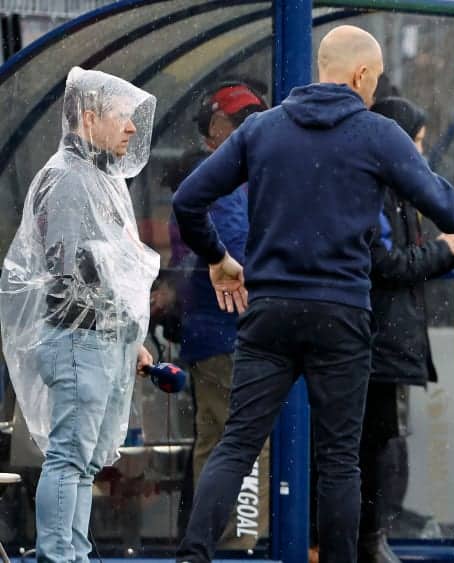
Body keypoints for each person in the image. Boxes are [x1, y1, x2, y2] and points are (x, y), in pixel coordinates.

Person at [171, 25, 454, 563]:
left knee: (237, 444)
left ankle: (192, 557)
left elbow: (188, 200)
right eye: (377, 77)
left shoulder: (261, 130)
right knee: (340, 460)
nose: (374, 87)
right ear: (361, 74)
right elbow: (446, 206)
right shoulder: (377, 134)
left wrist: (219, 259)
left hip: (268, 313)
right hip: (340, 315)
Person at [0, 67, 159, 562]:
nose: (131, 128)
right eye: (122, 117)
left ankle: (74, 553)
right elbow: (71, 269)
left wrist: (129, 335)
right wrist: (115, 321)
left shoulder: (96, 177)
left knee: (85, 461)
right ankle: (58, 555)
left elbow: (103, 268)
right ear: (90, 118)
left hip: (96, 339)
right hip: (78, 339)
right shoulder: (70, 178)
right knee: (70, 457)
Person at [357, 96, 454, 563]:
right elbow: (386, 264)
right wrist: (444, 249)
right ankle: (365, 539)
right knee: (370, 446)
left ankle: (371, 536)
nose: (420, 152)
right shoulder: (374, 191)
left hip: (387, 340)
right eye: (417, 141)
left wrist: (448, 251)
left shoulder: (399, 190)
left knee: (381, 442)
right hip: (373, 340)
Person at [173, 82, 271, 550]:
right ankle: (240, 544)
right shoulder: (227, 180)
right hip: (230, 331)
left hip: (216, 332)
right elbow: (238, 250)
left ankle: (212, 542)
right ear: (216, 128)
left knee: (216, 439)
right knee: (243, 439)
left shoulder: (230, 177)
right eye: (241, 122)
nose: (254, 130)